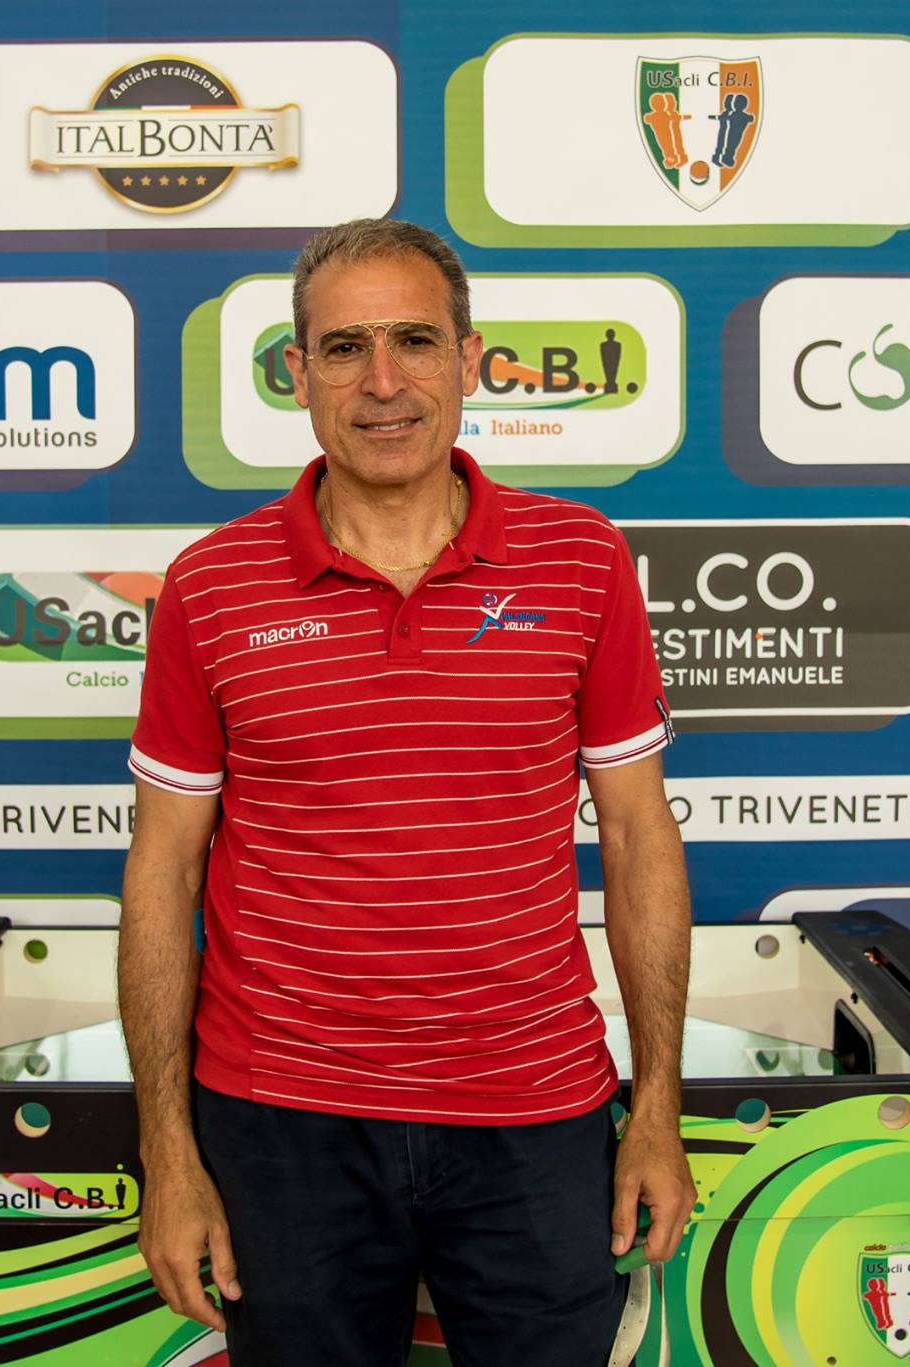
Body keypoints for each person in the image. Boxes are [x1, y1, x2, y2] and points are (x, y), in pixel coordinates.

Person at [118, 217, 694, 1366]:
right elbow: (162, 869)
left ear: (470, 361)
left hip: (534, 1106)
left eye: (414, 341)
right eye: (344, 348)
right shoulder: (209, 585)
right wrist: (167, 1152)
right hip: (280, 1122)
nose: (382, 382)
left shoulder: (580, 559)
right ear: (296, 374)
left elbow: (637, 835)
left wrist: (656, 1111)